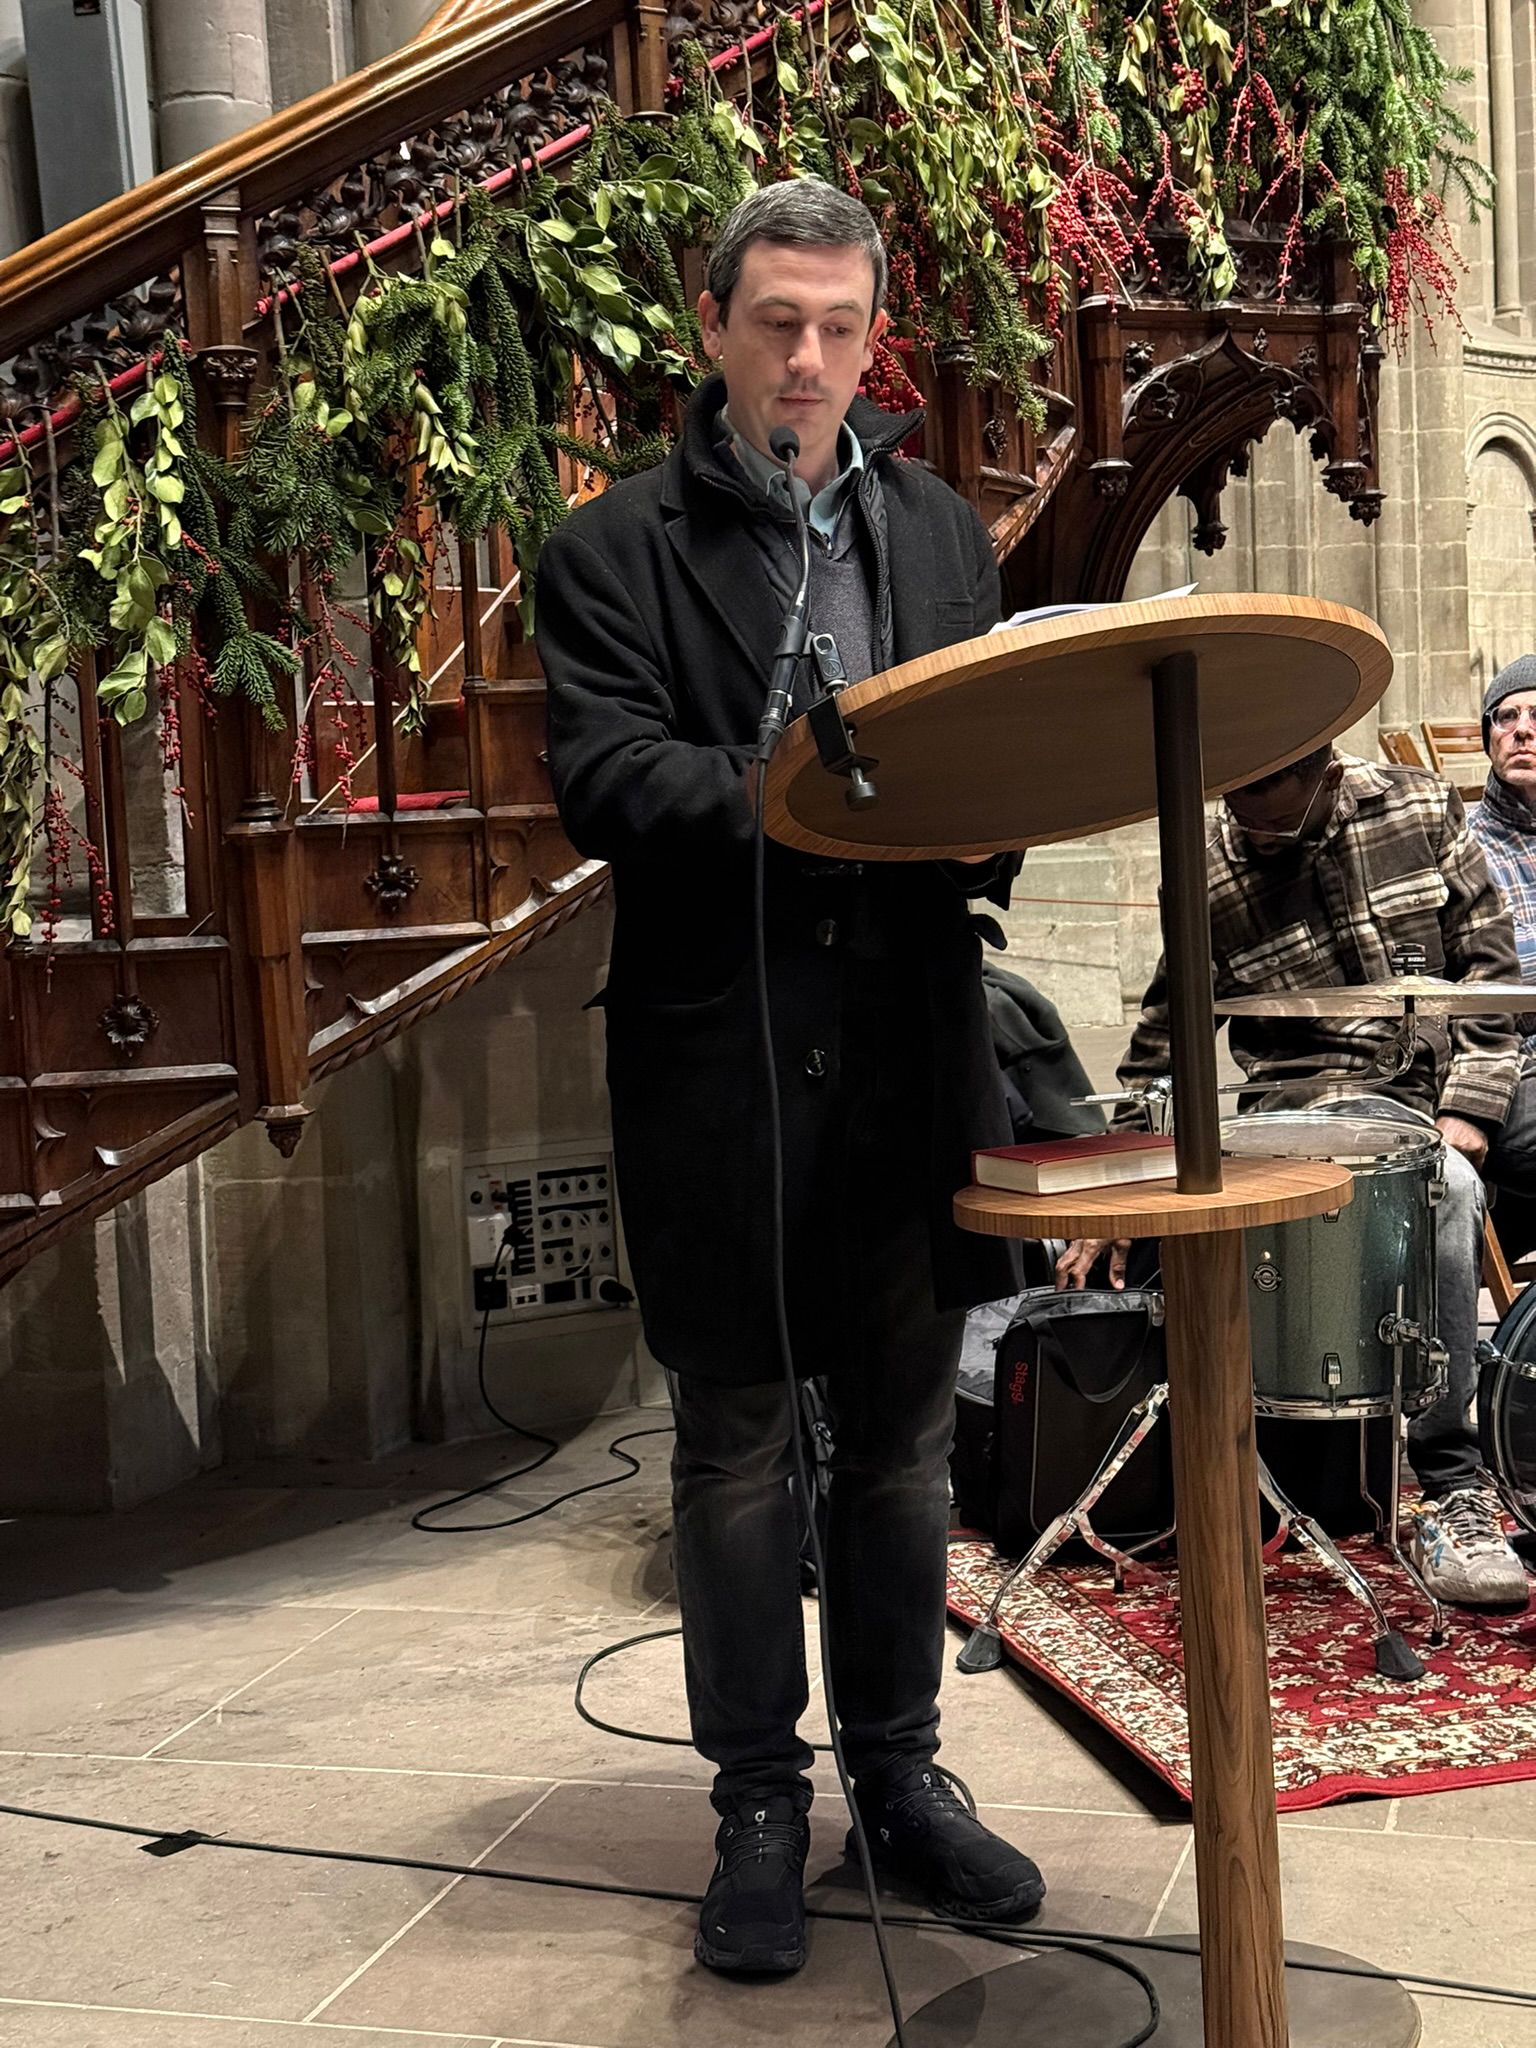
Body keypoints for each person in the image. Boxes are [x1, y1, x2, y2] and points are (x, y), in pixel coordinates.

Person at [536, 177, 1044, 1980]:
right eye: (777, 326)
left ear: (872, 335)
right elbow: (608, 778)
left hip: (908, 1042)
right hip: (719, 1050)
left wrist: (973, 820)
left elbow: (986, 758)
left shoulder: (941, 532)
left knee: (904, 1446)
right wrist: (805, 796)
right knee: (739, 1447)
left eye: (840, 327)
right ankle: (758, 1800)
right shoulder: (617, 548)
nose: (809, 360)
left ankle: (897, 1777)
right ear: (713, 329)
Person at [1056, 743, 1530, 1609]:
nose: (1246, 823)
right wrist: (1113, 1175)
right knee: (1433, 1193)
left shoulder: (1421, 808)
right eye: (1233, 803)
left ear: (1325, 774)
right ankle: (1392, 1475)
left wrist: (1473, 1106)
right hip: (1295, 1106)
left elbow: (1490, 971)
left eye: (1268, 808)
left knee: (1458, 1181)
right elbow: (1164, 1035)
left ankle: (1471, 1460)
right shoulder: (1206, 864)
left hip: (1429, 1089)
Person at [1467, 657, 1536, 1217]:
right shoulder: (1461, 848)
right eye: (1506, 716)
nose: (1522, 730)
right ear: (1488, 736)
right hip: (1511, 1068)